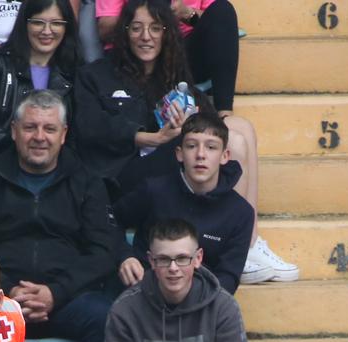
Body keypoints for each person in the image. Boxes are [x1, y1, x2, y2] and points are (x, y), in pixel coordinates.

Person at [75, 0, 295, 282]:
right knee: (229, 144)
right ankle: (236, 245)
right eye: (137, 28)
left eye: (155, 28)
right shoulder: (97, 74)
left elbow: (207, 120)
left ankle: (250, 243)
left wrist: (193, 120)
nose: (146, 36)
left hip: (167, 166)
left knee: (240, 129)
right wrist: (151, 137)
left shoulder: (171, 74)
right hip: (123, 177)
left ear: (167, 33)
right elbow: (89, 128)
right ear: (124, 32)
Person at [0, 90, 136, 342]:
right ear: (14, 131)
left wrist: (55, 293)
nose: (39, 137)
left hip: (67, 300)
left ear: (63, 134)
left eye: (49, 129)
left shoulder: (87, 182)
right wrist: (8, 291)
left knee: (108, 317)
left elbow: (103, 251)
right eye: (30, 127)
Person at [100, 218, 247, 342]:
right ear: (151, 261)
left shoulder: (223, 306)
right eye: (163, 259)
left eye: (182, 258)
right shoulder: (125, 308)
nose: (173, 268)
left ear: (198, 258)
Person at [113, 111, 254, 292]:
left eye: (211, 147)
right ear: (179, 153)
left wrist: (194, 299)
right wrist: (125, 256)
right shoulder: (154, 190)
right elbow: (110, 221)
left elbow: (229, 277)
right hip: (145, 294)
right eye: (191, 146)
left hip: (203, 301)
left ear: (224, 156)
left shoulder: (240, 213)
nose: (200, 154)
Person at [0, 0, 79, 176]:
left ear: (67, 27)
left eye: (56, 23)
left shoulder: (75, 72)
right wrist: (25, 152)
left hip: (57, 173)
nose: (47, 31)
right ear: (25, 23)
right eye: (38, 22)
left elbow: (79, 134)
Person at [94, 0, 238, 114]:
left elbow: (218, 21)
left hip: (183, 52)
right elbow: (104, 30)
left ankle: (225, 113)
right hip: (135, 53)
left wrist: (187, 12)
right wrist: (140, 14)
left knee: (223, 9)